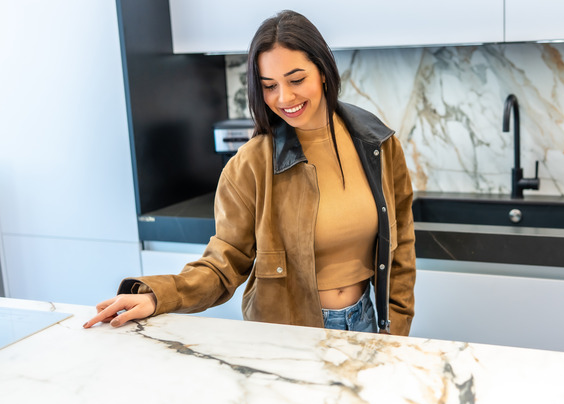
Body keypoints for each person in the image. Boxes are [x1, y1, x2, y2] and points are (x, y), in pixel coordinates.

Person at [84, 10, 416, 335]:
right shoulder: (250, 165)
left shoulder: (378, 145)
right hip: (285, 334)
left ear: (324, 71)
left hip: (366, 323)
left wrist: (396, 330)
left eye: (296, 79)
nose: (284, 97)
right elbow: (223, 262)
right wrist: (160, 296)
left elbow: (401, 246)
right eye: (269, 85)